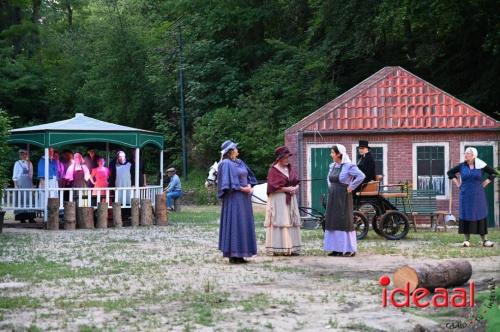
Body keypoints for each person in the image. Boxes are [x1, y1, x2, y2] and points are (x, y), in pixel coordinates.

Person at [217, 140, 258, 264]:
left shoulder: (240, 162)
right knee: (235, 224)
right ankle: (233, 254)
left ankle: (242, 253)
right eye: (235, 148)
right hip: (234, 199)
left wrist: (249, 186)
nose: (237, 149)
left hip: (244, 199)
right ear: (230, 151)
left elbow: (249, 176)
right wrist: (242, 188)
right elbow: (227, 184)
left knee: (244, 224)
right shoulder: (225, 163)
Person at [447, 147, 497, 247]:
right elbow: (450, 173)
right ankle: (466, 240)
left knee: (480, 215)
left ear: (473, 155)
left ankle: (485, 240)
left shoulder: (481, 165)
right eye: (465, 153)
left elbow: (494, 173)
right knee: (466, 214)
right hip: (465, 195)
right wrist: (457, 183)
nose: (465, 155)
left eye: (468, 153)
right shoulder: (461, 166)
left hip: (478, 195)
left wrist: (486, 182)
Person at [324, 144, 365, 257]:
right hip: (333, 195)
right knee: (333, 220)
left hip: (343, 195)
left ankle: (348, 249)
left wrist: (351, 186)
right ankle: (336, 248)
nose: (331, 154)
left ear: (339, 154)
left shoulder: (349, 166)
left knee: (344, 221)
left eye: (333, 152)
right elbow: (329, 178)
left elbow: (361, 176)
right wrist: (332, 188)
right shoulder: (332, 166)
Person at [264, 146, 302, 256]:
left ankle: (292, 247)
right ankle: (280, 247)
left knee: (291, 220)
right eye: (285, 157)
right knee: (281, 221)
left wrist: (295, 188)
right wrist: (286, 189)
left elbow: (296, 182)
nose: (287, 159)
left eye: (288, 157)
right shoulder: (273, 170)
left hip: (290, 198)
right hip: (278, 199)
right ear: (279, 158)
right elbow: (271, 187)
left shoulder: (290, 168)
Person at [12, 149, 35, 223]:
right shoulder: (17, 163)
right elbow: (15, 175)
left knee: (30, 199)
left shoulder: (29, 163)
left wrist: (31, 185)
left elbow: (31, 175)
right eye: (22, 154)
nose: (24, 155)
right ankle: (22, 218)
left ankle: (31, 217)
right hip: (20, 183)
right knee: (21, 199)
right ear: (20, 155)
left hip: (28, 183)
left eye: (25, 154)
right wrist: (15, 185)